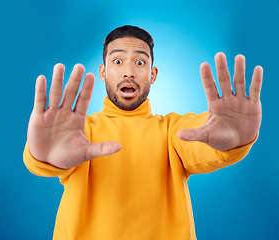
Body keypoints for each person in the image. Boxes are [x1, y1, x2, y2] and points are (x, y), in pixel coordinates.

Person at [23, 25, 263, 239]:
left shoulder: (172, 131)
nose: (129, 72)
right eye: (117, 61)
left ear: (153, 74)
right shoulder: (79, 132)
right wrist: (42, 154)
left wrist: (234, 138)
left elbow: (199, 136)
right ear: (103, 72)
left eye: (140, 62)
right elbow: (43, 158)